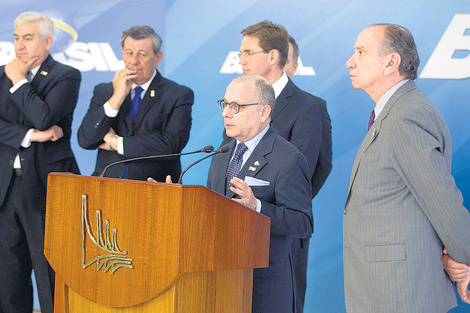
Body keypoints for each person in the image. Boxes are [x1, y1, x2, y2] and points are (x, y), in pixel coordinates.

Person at [343, 23, 470, 313]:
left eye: (361, 52)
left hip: (399, 292)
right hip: (388, 288)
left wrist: (465, 262)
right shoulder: (396, 111)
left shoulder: (405, 116)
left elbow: (443, 202)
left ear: (391, 62)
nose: (350, 61)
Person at [208, 74, 313, 313]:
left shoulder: (287, 157)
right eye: (225, 105)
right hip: (220, 281)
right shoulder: (222, 153)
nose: (226, 113)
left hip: (263, 286)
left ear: (264, 112)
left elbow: (302, 224)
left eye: (236, 107)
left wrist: (257, 207)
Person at [0, 11, 81, 313]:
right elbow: (38, 125)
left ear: (47, 41)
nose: (19, 46)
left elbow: (45, 115)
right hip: (6, 189)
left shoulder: (66, 75)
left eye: (28, 38)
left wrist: (19, 81)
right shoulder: (1, 73)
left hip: (46, 188)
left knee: (50, 270)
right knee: (9, 274)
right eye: (16, 38)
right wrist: (32, 135)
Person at [78, 25, 193, 182]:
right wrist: (116, 98)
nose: (133, 61)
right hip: (107, 186)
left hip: (154, 187)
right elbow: (86, 140)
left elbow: (171, 144)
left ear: (157, 58)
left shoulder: (178, 94)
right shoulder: (105, 91)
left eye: (142, 55)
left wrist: (116, 142)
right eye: (129, 53)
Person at [284, 35, 332, 313]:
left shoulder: (312, 106)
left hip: (288, 226)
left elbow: (321, 164)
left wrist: (293, 201)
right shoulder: (240, 104)